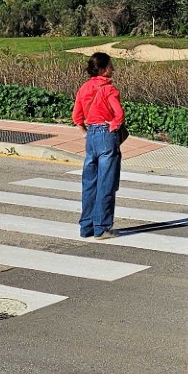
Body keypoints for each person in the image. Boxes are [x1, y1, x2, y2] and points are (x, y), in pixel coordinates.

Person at [73, 51, 125, 238]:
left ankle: (86, 227)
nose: (113, 69)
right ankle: (102, 227)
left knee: (89, 184)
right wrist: (113, 127)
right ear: (103, 70)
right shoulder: (109, 89)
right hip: (105, 135)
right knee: (106, 183)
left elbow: (77, 117)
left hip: (91, 136)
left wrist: (87, 132)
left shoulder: (84, 88)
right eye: (110, 66)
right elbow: (119, 115)